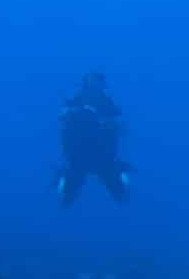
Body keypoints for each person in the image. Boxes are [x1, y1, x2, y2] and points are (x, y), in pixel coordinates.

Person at [56, 71, 133, 206]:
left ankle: (121, 174)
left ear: (102, 86)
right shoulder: (76, 99)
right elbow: (62, 115)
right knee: (66, 199)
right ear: (85, 85)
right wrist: (79, 114)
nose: (94, 88)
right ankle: (64, 182)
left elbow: (122, 126)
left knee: (121, 194)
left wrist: (103, 122)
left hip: (103, 157)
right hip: (78, 156)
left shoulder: (108, 102)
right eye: (91, 85)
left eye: (97, 85)